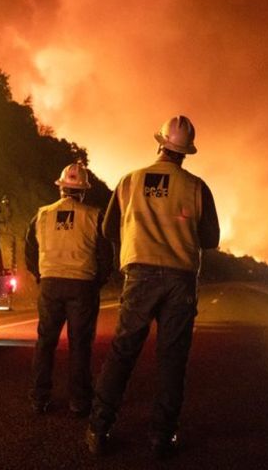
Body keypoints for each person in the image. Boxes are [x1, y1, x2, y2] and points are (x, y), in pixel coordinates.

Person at [86, 115, 219, 459]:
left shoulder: (129, 181)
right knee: (172, 359)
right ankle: (162, 437)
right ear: (186, 152)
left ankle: (99, 429)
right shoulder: (196, 186)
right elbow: (210, 239)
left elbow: (108, 229)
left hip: (140, 274)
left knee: (123, 352)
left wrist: (136, 241)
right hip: (180, 278)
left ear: (159, 142)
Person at [25, 161, 113, 417]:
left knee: (45, 343)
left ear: (61, 187)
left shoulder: (41, 215)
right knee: (80, 345)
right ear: (83, 190)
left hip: (51, 284)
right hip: (82, 285)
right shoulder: (94, 216)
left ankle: (39, 398)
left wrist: (40, 275)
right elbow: (106, 254)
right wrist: (98, 281)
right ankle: (79, 402)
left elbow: (30, 249)